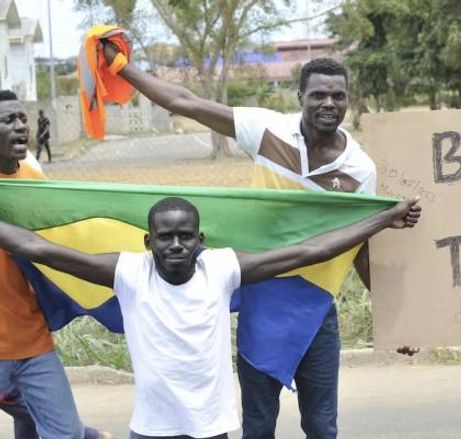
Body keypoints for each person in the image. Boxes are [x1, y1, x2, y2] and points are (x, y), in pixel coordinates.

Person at [100, 42, 415, 438]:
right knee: (259, 426)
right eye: (318, 94)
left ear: (349, 100)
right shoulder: (268, 130)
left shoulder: (359, 170)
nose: (329, 103)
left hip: (316, 309)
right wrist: (122, 67)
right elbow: (184, 102)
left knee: (321, 426)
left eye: (338, 95)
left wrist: (398, 323)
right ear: (300, 97)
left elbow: (359, 249)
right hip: (261, 297)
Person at [0, 194, 420, 438]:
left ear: (200, 239)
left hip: (211, 426)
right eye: (166, 237)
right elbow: (40, 248)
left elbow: (308, 251)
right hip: (152, 428)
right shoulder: (130, 273)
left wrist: (384, 219)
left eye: (186, 236)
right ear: (149, 241)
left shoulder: (221, 268)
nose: (177, 245)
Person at [0, 90, 109, 439]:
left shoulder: (34, 180)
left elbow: (66, 236)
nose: (20, 127)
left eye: (22, 118)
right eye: (7, 121)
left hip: (31, 340)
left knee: (65, 433)